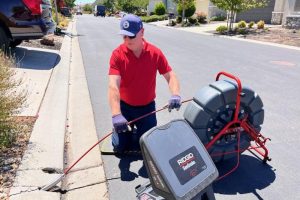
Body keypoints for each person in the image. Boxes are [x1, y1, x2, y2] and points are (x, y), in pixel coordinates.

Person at [108, 14, 181, 153]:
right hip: (125, 109)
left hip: (147, 109)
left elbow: (170, 75)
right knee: (120, 148)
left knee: (148, 149)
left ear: (142, 32)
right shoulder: (117, 54)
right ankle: (119, 135)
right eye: (124, 36)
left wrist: (175, 94)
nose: (127, 40)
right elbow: (113, 85)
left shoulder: (155, 53)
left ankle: (138, 132)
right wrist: (116, 114)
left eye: (131, 36)